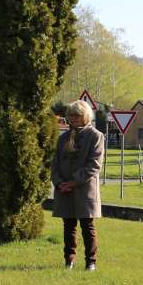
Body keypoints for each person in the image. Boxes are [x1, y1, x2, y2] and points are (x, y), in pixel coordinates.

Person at [52, 99, 104, 271]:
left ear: (85, 116)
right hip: (64, 190)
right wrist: (59, 183)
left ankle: (91, 262)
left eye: (77, 115)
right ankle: (69, 261)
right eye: (71, 115)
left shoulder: (96, 136)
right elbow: (55, 164)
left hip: (84, 190)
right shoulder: (63, 138)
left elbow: (94, 165)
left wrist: (74, 182)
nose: (73, 119)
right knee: (68, 226)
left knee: (87, 227)